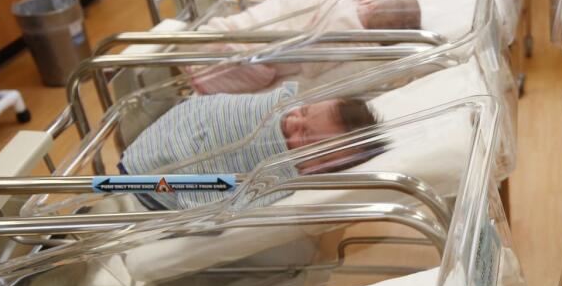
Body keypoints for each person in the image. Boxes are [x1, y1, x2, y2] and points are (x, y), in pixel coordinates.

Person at [120, 82, 380, 210]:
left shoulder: (281, 173)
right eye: (304, 110)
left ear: (319, 167)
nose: (292, 120)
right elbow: (204, 208)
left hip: (154, 149)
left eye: (305, 135)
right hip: (145, 179)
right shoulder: (275, 113)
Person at [192, 0, 422, 94]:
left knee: (236, 51)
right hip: (254, 44)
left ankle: (206, 59)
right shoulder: (355, 38)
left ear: (371, 4)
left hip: (247, 46)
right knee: (241, 50)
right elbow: (313, 67)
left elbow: (312, 60)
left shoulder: (344, 16)